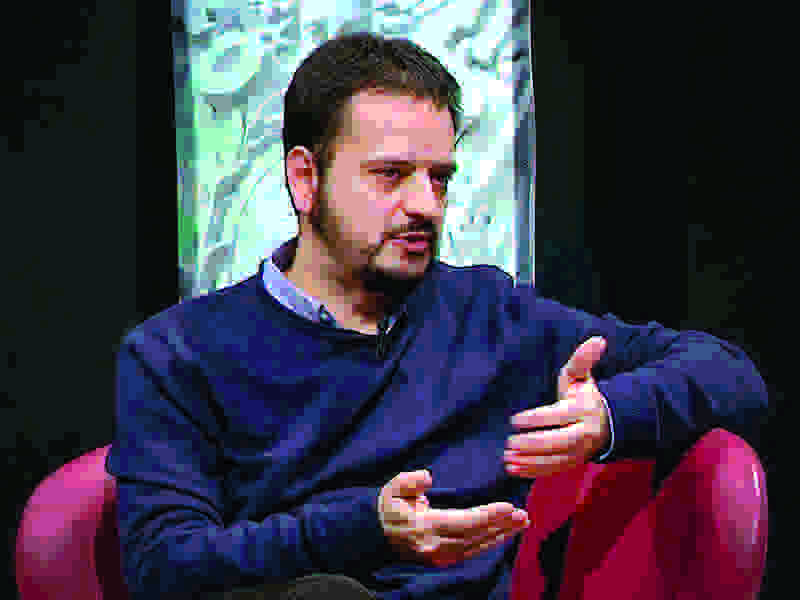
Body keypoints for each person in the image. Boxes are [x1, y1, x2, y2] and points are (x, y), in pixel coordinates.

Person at [106, 32, 768, 600]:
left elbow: (730, 372)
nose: (425, 204)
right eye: (391, 175)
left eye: (439, 178)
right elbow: (163, 566)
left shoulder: (491, 316)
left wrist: (610, 416)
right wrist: (366, 527)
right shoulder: (178, 353)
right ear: (305, 180)